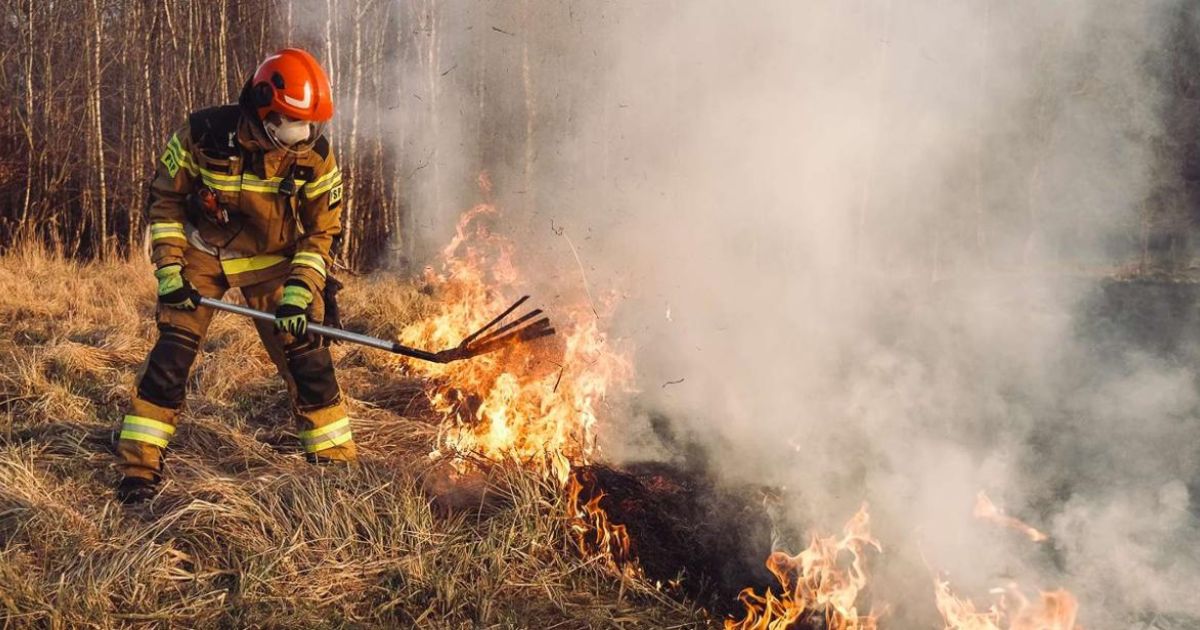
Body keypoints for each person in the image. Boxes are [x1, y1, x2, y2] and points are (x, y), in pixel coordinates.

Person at [114, 48, 352, 504]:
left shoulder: (313, 154)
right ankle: (138, 471)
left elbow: (323, 230)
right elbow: (164, 200)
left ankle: (335, 468)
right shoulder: (203, 134)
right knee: (171, 360)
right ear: (264, 109)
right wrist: (169, 269)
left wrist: (300, 293)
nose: (302, 136)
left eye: (311, 126)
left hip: (272, 261)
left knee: (309, 361)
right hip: (204, 256)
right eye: (293, 123)